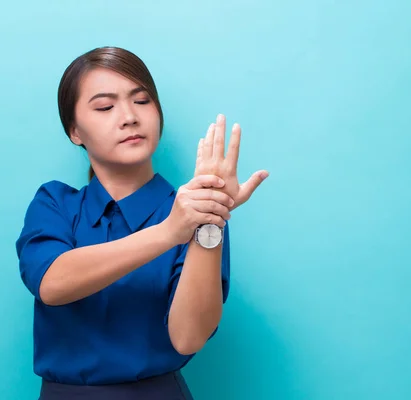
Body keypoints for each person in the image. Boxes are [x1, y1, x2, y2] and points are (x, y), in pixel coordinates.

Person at [15, 46, 269, 400]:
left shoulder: (193, 211)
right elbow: (52, 283)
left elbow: (188, 337)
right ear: (74, 130)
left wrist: (211, 221)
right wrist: (168, 233)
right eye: (105, 106)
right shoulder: (55, 203)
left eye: (142, 101)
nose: (129, 117)